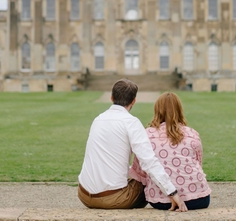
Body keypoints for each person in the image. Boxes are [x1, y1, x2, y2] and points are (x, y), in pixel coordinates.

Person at [78, 79, 187, 211]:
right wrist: (172, 192)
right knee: (147, 180)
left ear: (111, 97)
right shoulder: (131, 122)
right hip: (112, 199)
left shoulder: (98, 119)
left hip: (84, 195)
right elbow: (148, 161)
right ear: (133, 101)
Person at [129, 92, 211, 210]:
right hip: (199, 199)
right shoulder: (192, 133)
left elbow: (140, 172)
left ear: (157, 110)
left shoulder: (147, 134)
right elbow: (198, 163)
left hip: (160, 201)